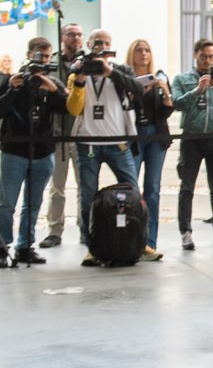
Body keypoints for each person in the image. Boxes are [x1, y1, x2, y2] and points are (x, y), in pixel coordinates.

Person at [67, 29, 146, 267]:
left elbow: (139, 90)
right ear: (89, 45)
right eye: (97, 43)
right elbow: (72, 108)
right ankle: (90, 247)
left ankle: (139, 242)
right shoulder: (78, 70)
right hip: (88, 142)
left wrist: (109, 71)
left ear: (111, 48)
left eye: (106, 43)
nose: (101, 47)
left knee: (133, 191)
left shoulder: (121, 70)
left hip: (118, 142)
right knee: (87, 196)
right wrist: (80, 80)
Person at [0, 37, 68, 266]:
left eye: (47, 57)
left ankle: (25, 246)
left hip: (43, 151)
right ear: (29, 54)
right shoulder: (12, 79)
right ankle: (2, 246)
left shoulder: (52, 82)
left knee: (33, 202)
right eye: (39, 55)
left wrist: (53, 89)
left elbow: (68, 107)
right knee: (7, 202)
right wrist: (11, 89)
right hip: (14, 150)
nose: (43, 61)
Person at [172, 38, 213, 252]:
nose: (208, 61)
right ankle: (186, 232)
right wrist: (196, 91)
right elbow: (177, 103)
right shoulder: (182, 78)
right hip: (192, 138)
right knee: (187, 187)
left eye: (211, 57)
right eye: (203, 57)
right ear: (195, 55)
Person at [126, 39, 173, 261]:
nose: (143, 54)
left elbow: (166, 112)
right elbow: (123, 109)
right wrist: (137, 90)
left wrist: (165, 92)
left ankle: (149, 243)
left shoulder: (160, 76)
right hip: (134, 136)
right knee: (132, 190)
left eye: (147, 50)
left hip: (156, 136)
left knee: (152, 189)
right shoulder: (125, 79)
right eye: (139, 50)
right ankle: (130, 240)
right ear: (132, 54)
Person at [41, 21, 85, 249]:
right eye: (71, 34)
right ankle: (54, 230)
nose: (75, 39)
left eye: (79, 35)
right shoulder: (53, 62)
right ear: (62, 37)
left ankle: (84, 229)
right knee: (57, 186)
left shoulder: (86, 63)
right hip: (57, 133)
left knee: (83, 185)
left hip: (81, 132)